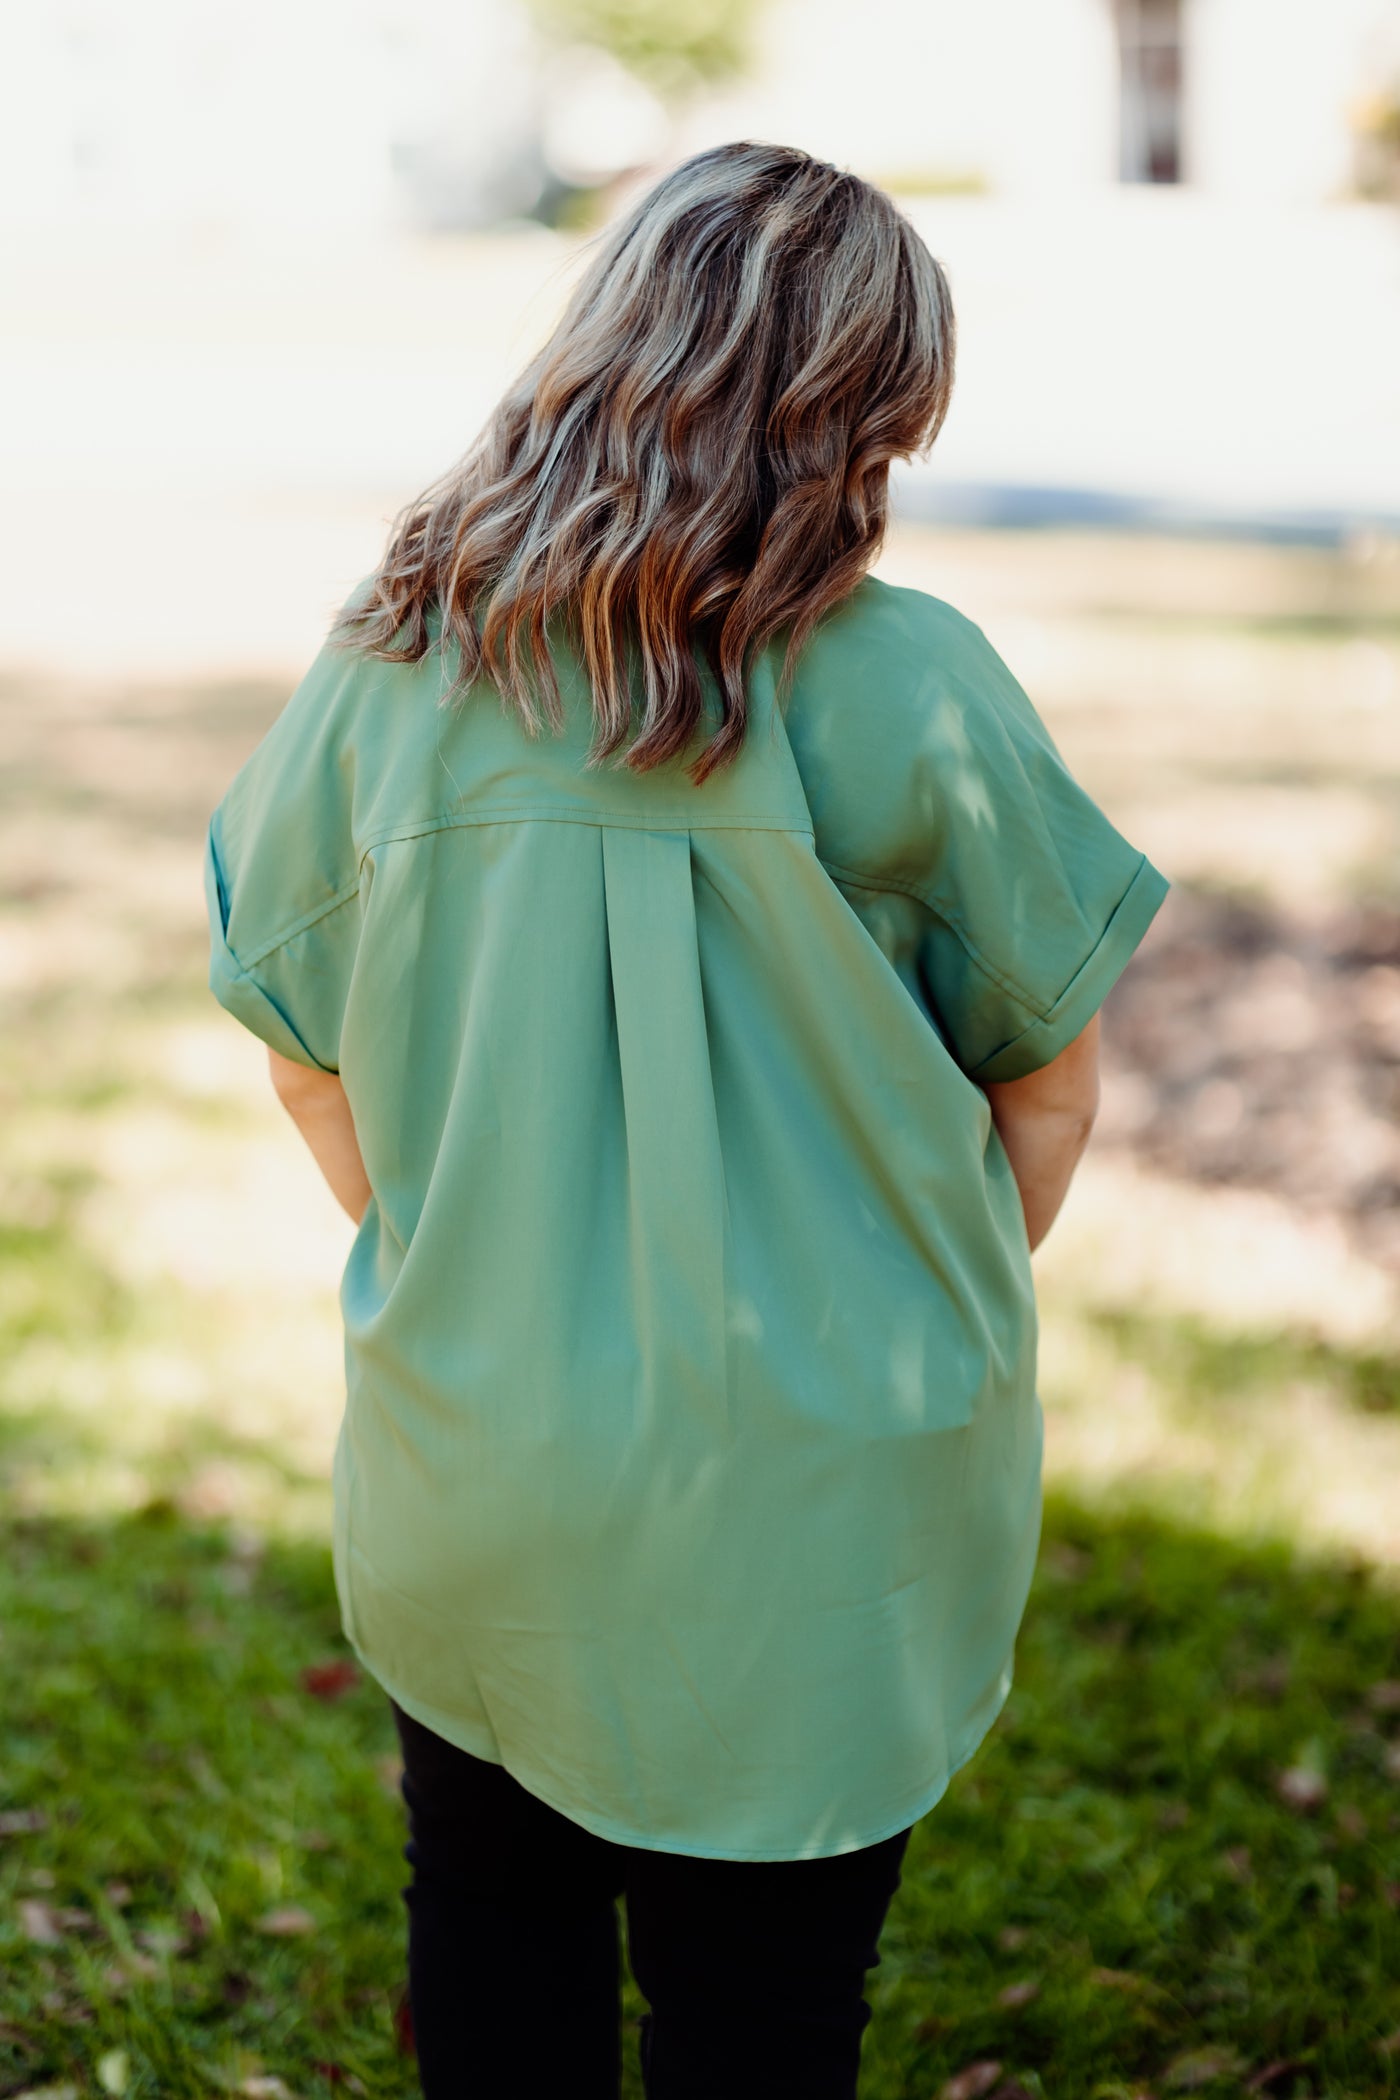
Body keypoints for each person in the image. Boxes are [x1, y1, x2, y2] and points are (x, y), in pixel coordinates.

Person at [204, 141, 1169, 2099]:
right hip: (820, 1500)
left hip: (482, 1454)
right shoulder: (913, 686)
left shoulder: (390, 670)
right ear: (872, 410)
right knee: (765, 2005)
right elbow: (1044, 1079)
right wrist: (901, 1292)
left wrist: (471, 1238)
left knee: (488, 1924)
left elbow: (297, 1033)